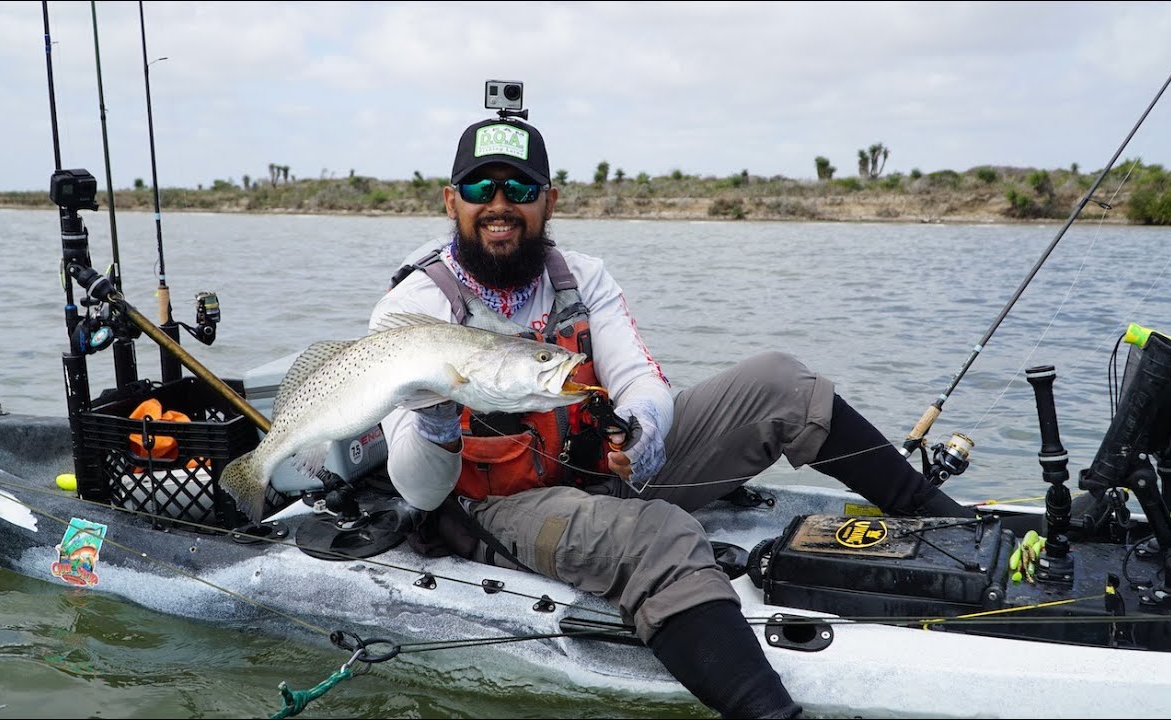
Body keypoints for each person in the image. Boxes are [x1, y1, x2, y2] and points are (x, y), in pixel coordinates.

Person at [368, 115, 971, 720]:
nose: (500, 206)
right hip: (494, 506)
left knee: (781, 382)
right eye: (480, 190)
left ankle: (952, 526)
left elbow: (638, 375)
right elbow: (418, 490)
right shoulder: (407, 312)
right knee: (660, 535)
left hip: (598, 466)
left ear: (549, 201)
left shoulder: (582, 276)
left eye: (520, 190)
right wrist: (438, 421)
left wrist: (643, 429)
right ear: (452, 201)